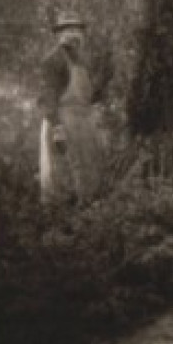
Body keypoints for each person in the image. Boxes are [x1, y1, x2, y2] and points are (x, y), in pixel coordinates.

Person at [38, 11, 107, 202]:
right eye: (68, 30)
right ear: (59, 35)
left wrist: (98, 103)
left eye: (77, 30)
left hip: (84, 121)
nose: (74, 34)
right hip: (62, 121)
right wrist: (57, 129)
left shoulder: (82, 62)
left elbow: (89, 95)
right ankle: (60, 221)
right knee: (62, 172)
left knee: (89, 171)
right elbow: (48, 97)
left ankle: (87, 216)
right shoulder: (53, 61)